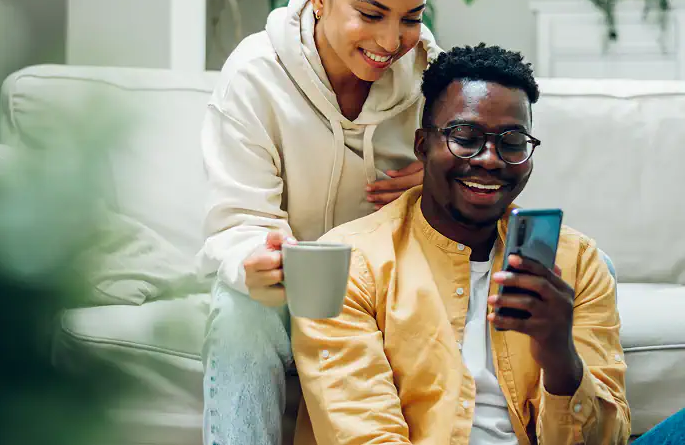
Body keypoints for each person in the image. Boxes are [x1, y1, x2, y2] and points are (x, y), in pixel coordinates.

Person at [290, 43, 684, 444]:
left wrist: (560, 357)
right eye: (466, 136)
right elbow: (364, 435)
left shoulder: (578, 263)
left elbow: (608, 439)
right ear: (423, 146)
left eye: (512, 141)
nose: (491, 159)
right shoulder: (348, 263)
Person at [198, 0, 443, 443]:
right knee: (240, 314)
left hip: (385, 298)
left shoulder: (435, 78)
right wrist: (253, 260)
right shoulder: (255, 76)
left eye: (411, 17)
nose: (392, 39)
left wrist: (436, 184)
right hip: (284, 300)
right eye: (372, 13)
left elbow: (480, 185)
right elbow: (237, 220)